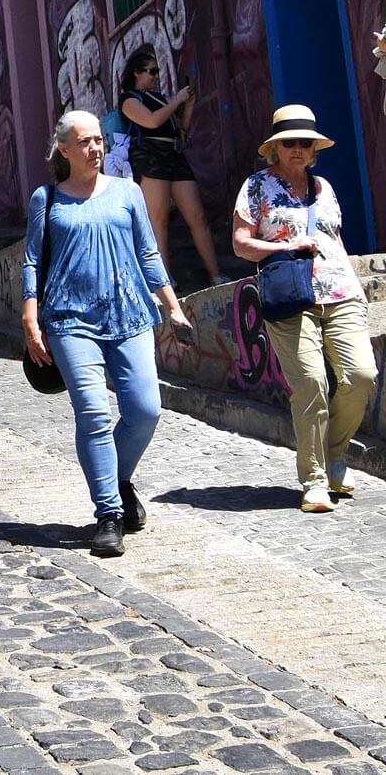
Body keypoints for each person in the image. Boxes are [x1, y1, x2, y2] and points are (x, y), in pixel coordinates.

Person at [23, 111, 193, 557]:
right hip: (69, 319)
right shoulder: (48, 199)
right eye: (85, 142)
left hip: (129, 312)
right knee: (94, 414)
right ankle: (109, 513)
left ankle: (116, 479)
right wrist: (29, 318)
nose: (95, 148)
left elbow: (147, 252)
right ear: (64, 149)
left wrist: (172, 307)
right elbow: (32, 263)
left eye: (99, 140)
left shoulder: (127, 192)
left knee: (145, 408)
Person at [232, 104, 375, 512]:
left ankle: (334, 452)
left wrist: (356, 285)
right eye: (289, 142)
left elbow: (334, 240)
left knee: (361, 375)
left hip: (340, 292)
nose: (298, 148)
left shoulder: (323, 187)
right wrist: (284, 246)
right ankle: (314, 479)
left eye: (305, 142)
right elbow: (241, 244)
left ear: (314, 149)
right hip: (290, 295)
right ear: (275, 148)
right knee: (311, 383)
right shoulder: (257, 187)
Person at [119, 47, 229, 287]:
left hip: (174, 153)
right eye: (151, 71)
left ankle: (216, 274)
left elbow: (180, 130)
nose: (155, 76)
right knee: (159, 219)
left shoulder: (159, 98)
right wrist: (177, 100)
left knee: (197, 214)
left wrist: (187, 106)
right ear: (136, 72)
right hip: (149, 155)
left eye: (157, 71)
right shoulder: (129, 99)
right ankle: (164, 279)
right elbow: (151, 121)